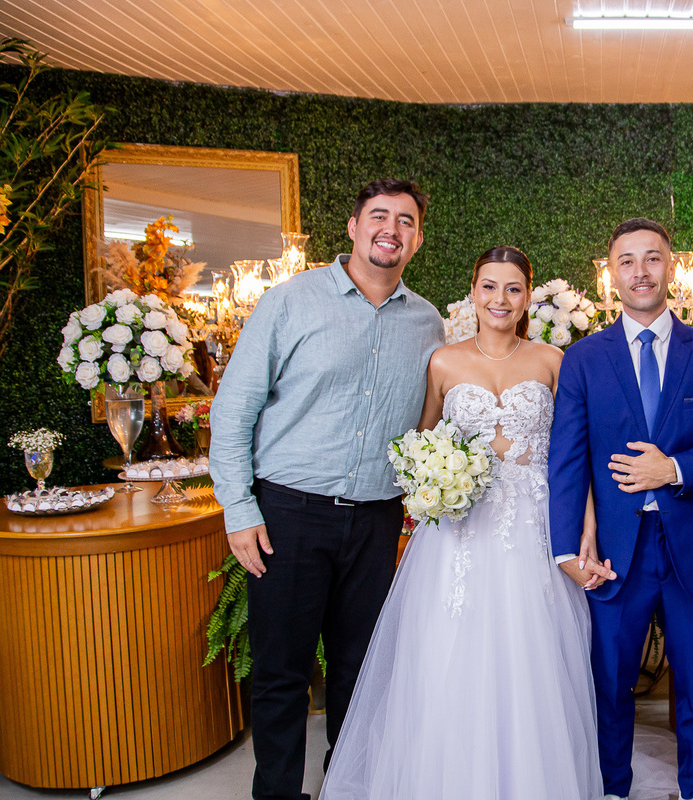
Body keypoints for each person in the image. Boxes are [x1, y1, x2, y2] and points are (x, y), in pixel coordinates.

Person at [318, 245, 610, 800]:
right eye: (489, 287)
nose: (500, 299)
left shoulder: (553, 360)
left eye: (513, 289)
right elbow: (419, 444)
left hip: (534, 528)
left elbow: (576, 455)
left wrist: (585, 532)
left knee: (531, 657)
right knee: (449, 651)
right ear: (473, 292)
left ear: (528, 296)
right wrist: (433, 483)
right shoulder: (443, 362)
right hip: (459, 534)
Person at [209, 178, 446, 800]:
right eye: (379, 216)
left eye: (405, 220)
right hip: (288, 514)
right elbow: (233, 409)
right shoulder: (291, 301)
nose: (391, 229)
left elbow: (435, 418)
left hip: (377, 519)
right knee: (282, 672)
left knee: (359, 670)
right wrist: (239, 509)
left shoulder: (429, 323)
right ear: (353, 226)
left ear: (418, 239)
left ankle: (348, 786)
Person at [548, 218, 693, 800]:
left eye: (652, 258)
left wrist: (676, 469)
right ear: (611, 273)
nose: (640, 271)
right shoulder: (582, 359)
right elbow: (567, 461)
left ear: (671, 267)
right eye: (627, 261)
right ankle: (614, 787)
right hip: (614, 549)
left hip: (689, 543)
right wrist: (566, 548)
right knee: (611, 680)